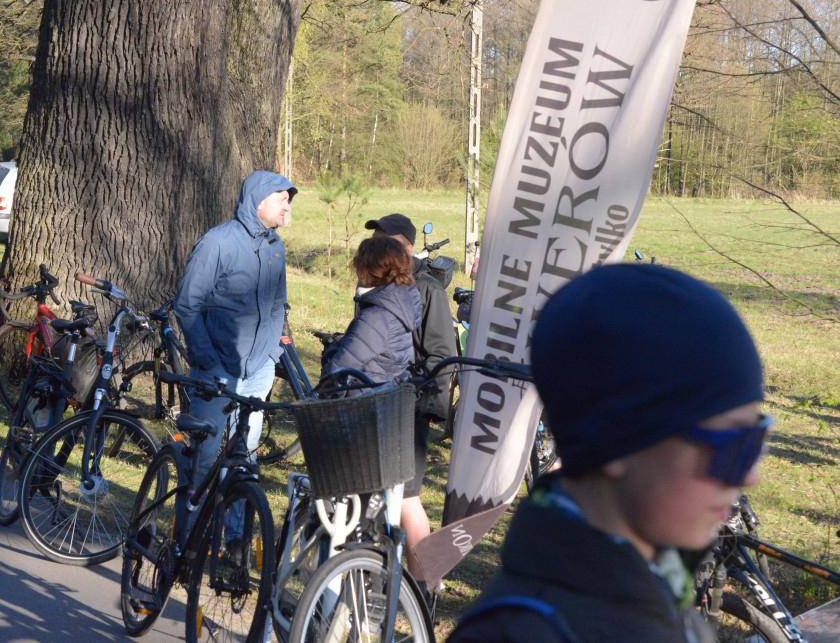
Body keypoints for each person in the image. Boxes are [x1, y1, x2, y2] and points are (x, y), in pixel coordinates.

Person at [449, 264, 768, 643]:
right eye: (733, 445)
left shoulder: (658, 583)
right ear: (619, 441)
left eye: (757, 437)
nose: (750, 476)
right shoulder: (518, 635)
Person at [173, 170, 296, 551]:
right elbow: (186, 304)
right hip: (217, 369)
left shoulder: (276, 246)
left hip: (257, 371)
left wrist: (272, 355)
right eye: (281, 199)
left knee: (245, 456)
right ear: (259, 201)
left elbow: (278, 305)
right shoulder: (217, 243)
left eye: (288, 199)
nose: (287, 206)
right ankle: (187, 542)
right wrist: (208, 360)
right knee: (206, 456)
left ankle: (234, 544)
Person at [365, 213, 457, 584]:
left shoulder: (427, 289)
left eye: (383, 239)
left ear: (405, 245)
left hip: (409, 406)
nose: (375, 246)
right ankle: (374, 578)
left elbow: (441, 353)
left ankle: (424, 587)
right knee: (378, 495)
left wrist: (428, 405)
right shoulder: (383, 280)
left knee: (407, 500)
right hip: (378, 404)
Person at [321, 236, 422, 383]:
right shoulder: (400, 303)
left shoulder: (375, 318)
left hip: (365, 400)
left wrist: (331, 351)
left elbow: (334, 377)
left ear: (366, 270)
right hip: (389, 396)